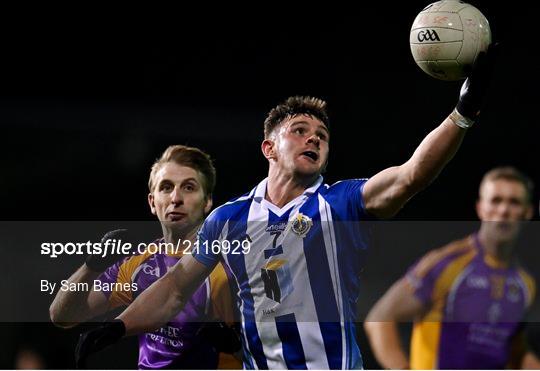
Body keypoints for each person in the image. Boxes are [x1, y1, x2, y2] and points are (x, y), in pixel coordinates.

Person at [75, 46, 499, 369]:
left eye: (321, 135)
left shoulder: (340, 204)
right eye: (299, 130)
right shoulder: (229, 219)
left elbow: (411, 175)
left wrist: (463, 113)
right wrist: (118, 325)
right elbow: (173, 291)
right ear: (269, 148)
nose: (313, 138)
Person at [49, 145, 241, 369]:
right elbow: (62, 315)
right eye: (166, 187)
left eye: (188, 188)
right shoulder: (138, 263)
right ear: (152, 202)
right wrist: (91, 267)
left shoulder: (230, 265)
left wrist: (237, 346)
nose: (176, 198)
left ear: (207, 201)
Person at [364, 166, 536, 369]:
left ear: (528, 212)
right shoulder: (446, 263)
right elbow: (379, 319)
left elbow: (515, 352)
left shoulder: (525, 284)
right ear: (481, 208)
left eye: (514, 202)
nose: (504, 210)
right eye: (496, 200)